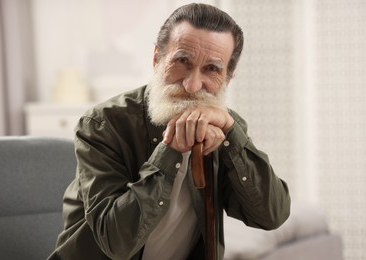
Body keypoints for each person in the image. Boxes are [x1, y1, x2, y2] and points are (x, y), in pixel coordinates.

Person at [48, 3, 290, 260]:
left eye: (212, 69)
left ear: (228, 78)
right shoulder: (102, 124)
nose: (192, 85)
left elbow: (271, 215)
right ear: (156, 59)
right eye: (182, 61)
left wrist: (231, 133)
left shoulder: (227, 128)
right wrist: (170, 150)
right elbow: (116, 242)